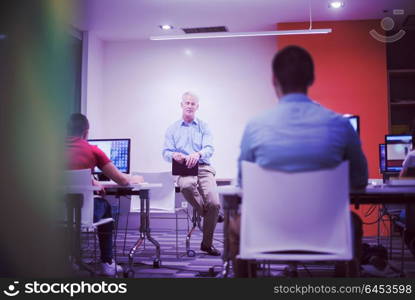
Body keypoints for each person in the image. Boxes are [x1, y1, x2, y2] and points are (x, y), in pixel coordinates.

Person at [231, 45, 368, 277]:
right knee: (352, 223)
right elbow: (360, 181)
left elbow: (244, 185)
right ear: (312, 78)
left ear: (273, 79)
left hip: (267, 232)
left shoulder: (255, 126)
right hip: (327, 232)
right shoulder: (340, 125)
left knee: (234, 226)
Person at [66, 113, 143, 276]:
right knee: (106, 206)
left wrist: (90, 180)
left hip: (55, 213)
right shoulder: (92, 150)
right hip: (84, 214)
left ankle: (69, 258)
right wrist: (133, 178)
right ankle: (107, 262)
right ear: (86, 132)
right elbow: (122, 180)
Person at [163, 92, 223, 256]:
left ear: (197, 107)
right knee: (187, 185)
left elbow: (209, 149)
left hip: (203, 167)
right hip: (184, 170)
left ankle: (206, 244)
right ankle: (210, 214)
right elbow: (166, 152)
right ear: (181, 105)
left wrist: (198, 154)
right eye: (187, 103)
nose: (189, 106)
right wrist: (174, 155)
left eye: (193, 103)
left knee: (215, 204)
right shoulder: (172, 129)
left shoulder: (204, 126)